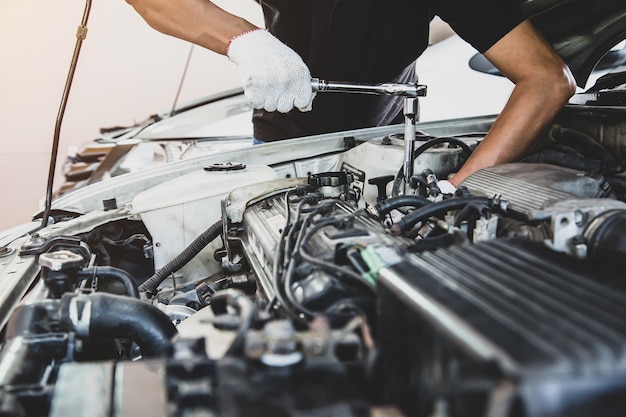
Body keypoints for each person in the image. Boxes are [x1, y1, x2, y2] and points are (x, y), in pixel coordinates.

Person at [125, 0, 576, 188]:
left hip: (384, 158)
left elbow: (547, 78)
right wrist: (241, 39)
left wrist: (458, 190)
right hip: (282, 149)